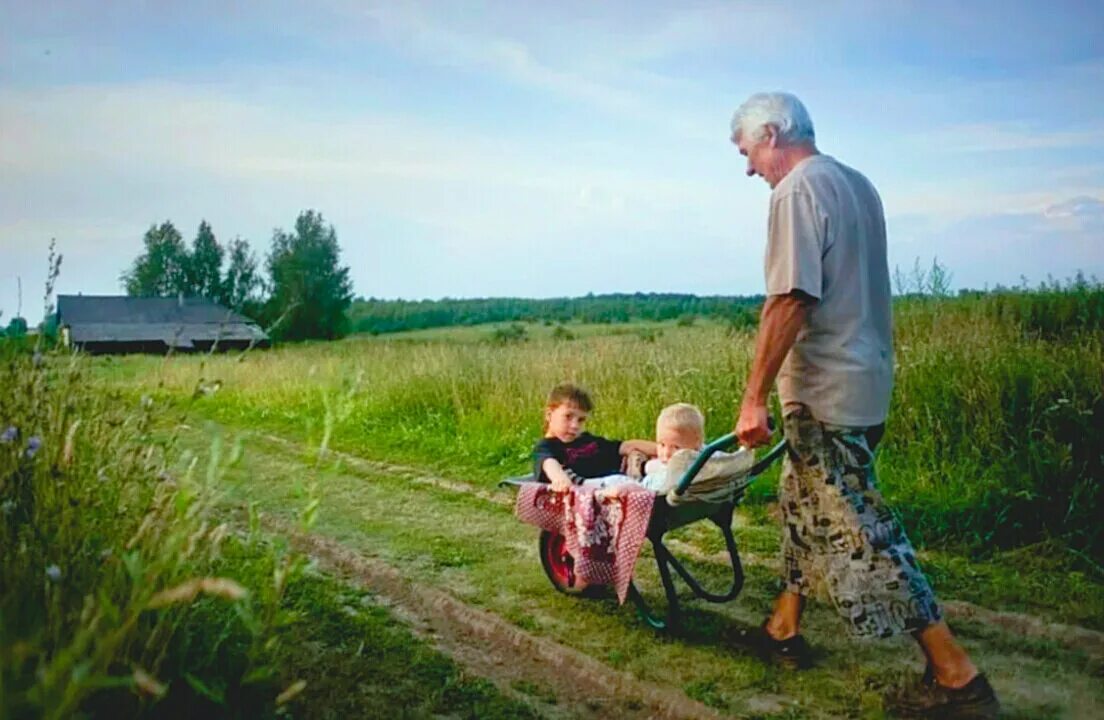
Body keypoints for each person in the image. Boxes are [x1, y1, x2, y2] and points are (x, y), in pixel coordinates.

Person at [729, 92, 998, 717]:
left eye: (746, 153)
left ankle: (956, 675)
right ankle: (783, 627)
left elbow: (791, 297)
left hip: (826, 392)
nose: (748, 169)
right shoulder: (856, 183)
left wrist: (754, 397)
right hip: (866, 380)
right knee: (802, 505)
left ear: (772, 133)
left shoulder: (795, 190)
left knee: (863, 532)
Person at [533, 383, 656, 492]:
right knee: (625, 484)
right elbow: (549, 463)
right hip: (600, 487)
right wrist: (560, 479)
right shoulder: (546, 446)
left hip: (626, 477)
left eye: (581, 420)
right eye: (568, 416)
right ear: (549, 415)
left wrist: (663, 449)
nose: (575, 425)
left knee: (655, 465)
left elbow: (624, 446)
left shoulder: (587, 440)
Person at [595, 402, 707, 496]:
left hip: (646, 496)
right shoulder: (706, 457)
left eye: (676, 447)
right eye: (661, 444)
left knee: (614, 480)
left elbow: (648, 487)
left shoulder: (676, 474)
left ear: (696, 443)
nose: (666, 453)